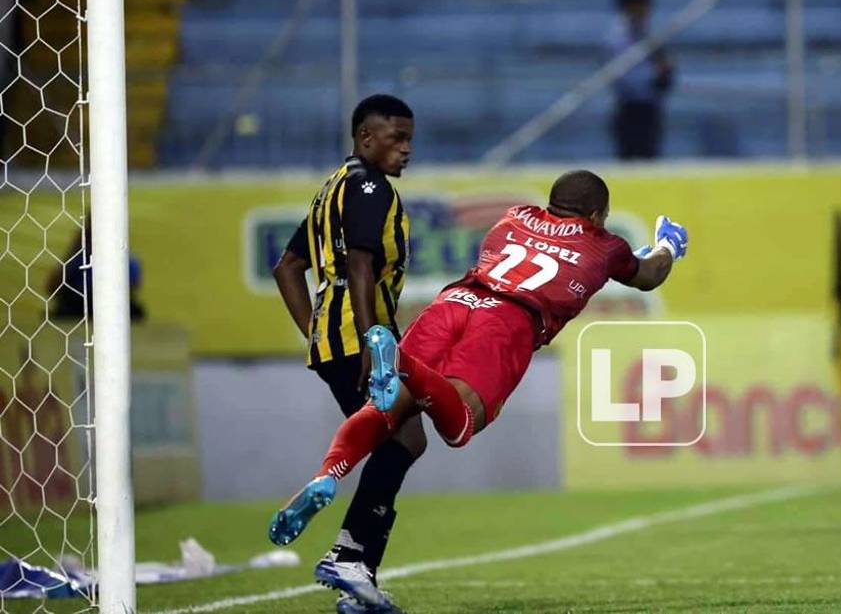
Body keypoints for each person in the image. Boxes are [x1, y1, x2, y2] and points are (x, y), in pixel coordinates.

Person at [269, 170, 688, 608]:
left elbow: (551, 253)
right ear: (599, 214)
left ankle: (329, 485)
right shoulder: (607, 245)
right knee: (460, 424)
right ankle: (400, 361)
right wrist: (667, 245)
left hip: (454, 303)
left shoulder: (513, 217)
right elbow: (645, 274)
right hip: (507, 321)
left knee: (390, 411)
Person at [271, 94, 426, 612]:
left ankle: (357, 573)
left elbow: (287, 267)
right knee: (403, 437)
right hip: (364, 341)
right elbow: (361, 266)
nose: (405, 149)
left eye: (409, 139)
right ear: (366, 139)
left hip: (336, 339)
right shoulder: (369, 187)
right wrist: (371, 339)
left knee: (394, 438)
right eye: (395, 138)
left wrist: (315, 333)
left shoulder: (329, 190)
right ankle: (351, 554)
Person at [606, 0, 674, 160]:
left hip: (649, 103)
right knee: (629, 155)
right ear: (630, 6)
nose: (646, 10)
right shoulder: (618, 36)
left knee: (650, 154)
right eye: (643, 5)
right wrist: (654, 75)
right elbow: (623, 73)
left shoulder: (649, 30)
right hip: (629, 104)